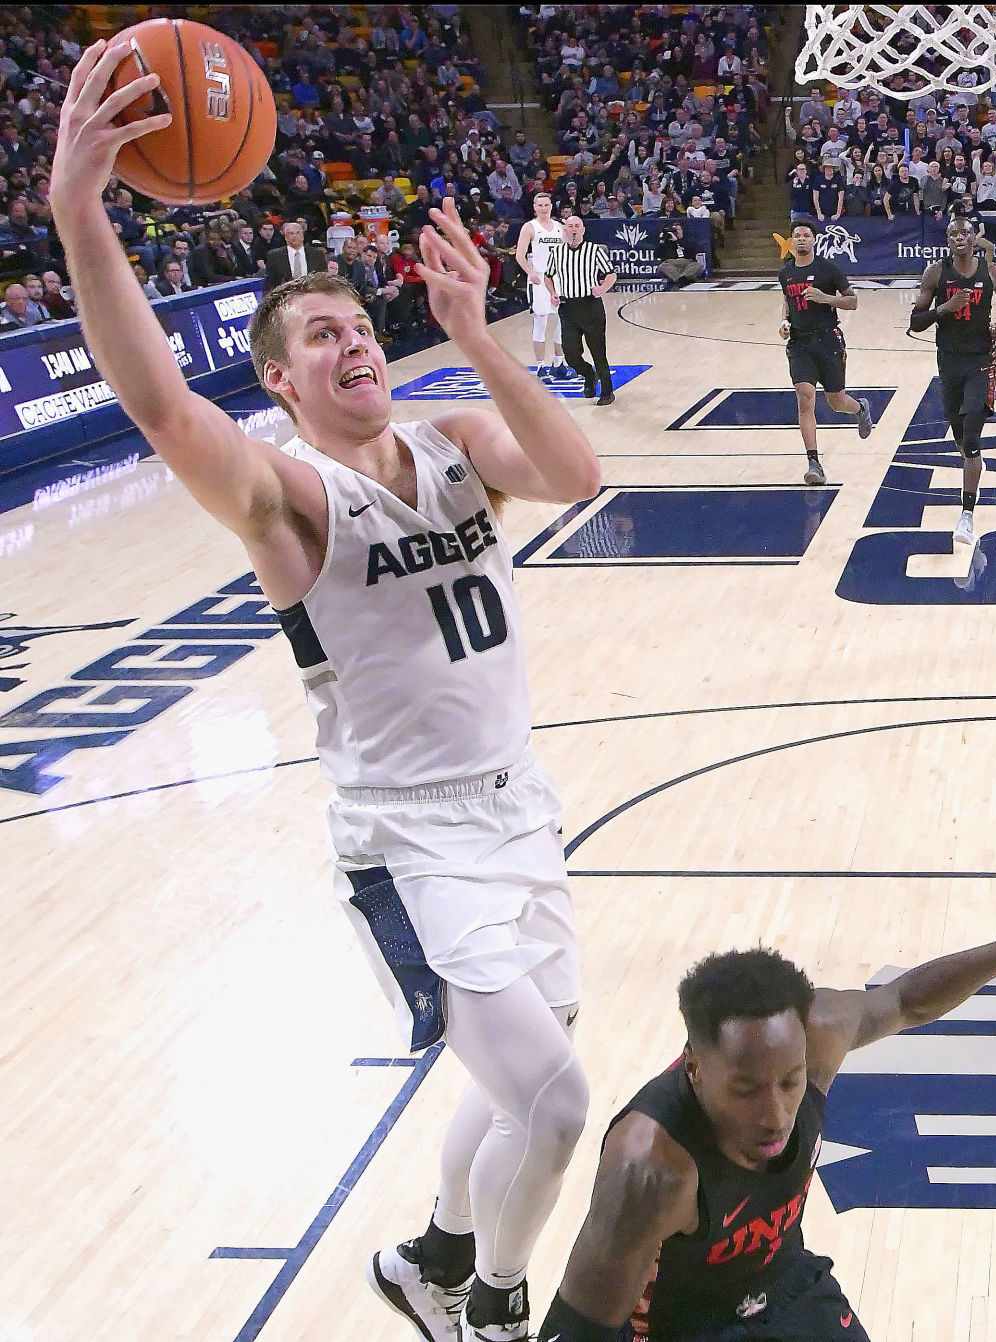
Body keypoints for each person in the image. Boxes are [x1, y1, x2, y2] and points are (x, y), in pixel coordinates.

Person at [51, 40, 604, 1342]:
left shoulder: (455, 438)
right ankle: (500, 1307)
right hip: (405, 836)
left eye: (359, 322)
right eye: (319, 335)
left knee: (538, 1060)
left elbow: (574, 474)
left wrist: (479, 334)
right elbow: (160, 408)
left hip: (516, 798)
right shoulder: (293, 497)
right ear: (282, 383)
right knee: (562, 1101)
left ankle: (434, 1253)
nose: (351, 339)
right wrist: (82, 210)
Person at [533, 861, 996, 1342]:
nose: (775, 1114)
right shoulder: (651, 1167)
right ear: (693, 1067)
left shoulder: (822, 1032)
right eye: (746, 1089)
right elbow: (578, 1331)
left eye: (790, 1082)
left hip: (784, 1281)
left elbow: (905, 1000)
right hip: (685, 1325)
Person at [909, 214, 996, 549]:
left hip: (982, 360)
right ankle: (973, 465)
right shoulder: (936, 273)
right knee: (961, 437)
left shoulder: (992, 271)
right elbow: (916, 321)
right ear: (947, 240)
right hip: (949, 361)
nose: (959, 237)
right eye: (953, 233)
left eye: (965, 233)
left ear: (974, 238)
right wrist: (945, 308)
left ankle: (967, 513)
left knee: (971, 433)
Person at [777, 221, 874, 487]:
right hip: (799, 345)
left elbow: (852, 301)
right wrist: (784, 322)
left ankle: (860, 408)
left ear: (814, 240)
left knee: (836, 402)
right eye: (796, 236)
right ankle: (813, 463)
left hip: (828, 341)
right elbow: (787, 302)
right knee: (804, 399)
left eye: (806, 235)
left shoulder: (828, 269)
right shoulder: (785, 274)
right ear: (792, 241)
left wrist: (825, 299)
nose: (801, 240)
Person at [543, 216, 618, 403]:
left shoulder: (594, 251)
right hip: (568, 308)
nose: (574, 229)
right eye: (570, 226)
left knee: (598, 351)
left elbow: (611, 274)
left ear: (583, 230)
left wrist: (601, 289)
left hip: (590, 306)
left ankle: (607, 391)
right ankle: (589, 375)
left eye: (577, 226)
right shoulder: (557, 252)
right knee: (570, 353)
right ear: (565, 230)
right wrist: (552, 293)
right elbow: (548, 276)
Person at [515, 191, 568, 382]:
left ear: (551, 206)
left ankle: (559, 363)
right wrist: (530, 272)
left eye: (546, 205)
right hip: (538, 279)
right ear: (535, 207)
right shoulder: (530, 227)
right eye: (540, 205)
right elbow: (519, 256)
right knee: (541, 322)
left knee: (563, 320)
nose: (543, 208)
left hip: (558, 279)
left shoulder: (560, 227)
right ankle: (540, 366)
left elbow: (567, 254)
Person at [263, 219, 328, 291]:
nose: (295, 236)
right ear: (285, 237)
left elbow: (322, 279)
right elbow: (270, 283)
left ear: (303, 235)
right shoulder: (274, 256)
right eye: (291, 233)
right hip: (286, 296)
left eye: (298, 233)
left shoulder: (317, 254)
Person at [656, 220, 702, 289]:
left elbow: (692, 254)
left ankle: (683, 277)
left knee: (697, 265)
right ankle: (681, 279)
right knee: (662, 266)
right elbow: (657, 254)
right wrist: (662, 241)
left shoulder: (688, 241)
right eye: (674, 230)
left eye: (677, 229)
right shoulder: (667, 242)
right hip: (672, 264)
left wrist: (677, 241)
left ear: (682, 230)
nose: (676, 232)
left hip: (686, 263)